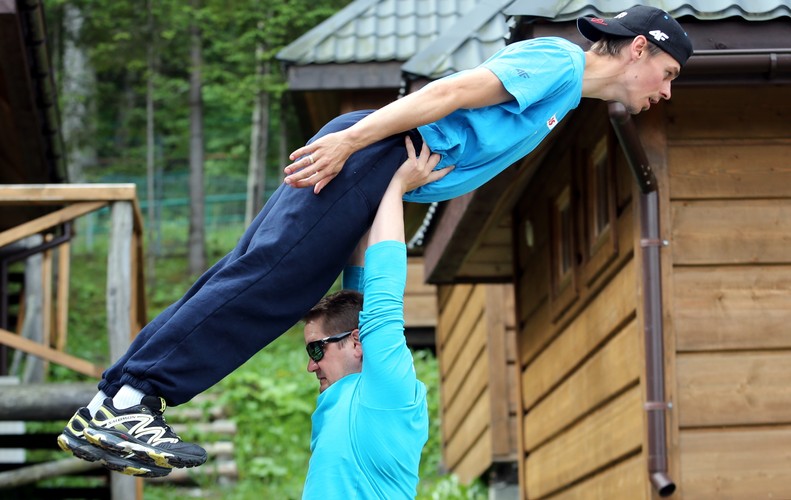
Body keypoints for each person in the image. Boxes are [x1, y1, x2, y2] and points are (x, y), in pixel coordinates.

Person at [57, 5, 693, 477]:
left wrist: (361, 286)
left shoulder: (561, 98)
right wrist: (349, 143)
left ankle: (117, 401)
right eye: (666, 74)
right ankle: (132, 398)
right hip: (367, 156)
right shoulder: (556, 63)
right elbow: (445, 94)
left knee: (255, 277)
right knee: (266, 286)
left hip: (375, 169)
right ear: (636, 49)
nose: (664, 92)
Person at [301, 137, 446, 498]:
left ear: (356, 342)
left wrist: (396, 187)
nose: (310, 366)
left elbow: (382, 301)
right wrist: (366, 187)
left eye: (316, 351)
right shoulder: (342, 396)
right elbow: (362, 289)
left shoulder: (387, 392)